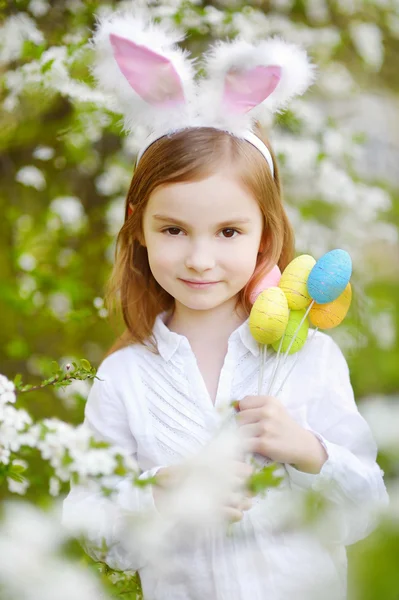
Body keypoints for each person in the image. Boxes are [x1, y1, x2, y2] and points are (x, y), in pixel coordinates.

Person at [62, 8, 388, 600]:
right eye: (174, 230)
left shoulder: (308, 357)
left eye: (229, 233)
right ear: (137, 227)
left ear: (266, 233)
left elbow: (367, 510)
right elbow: (92, 526)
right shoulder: (125, 376)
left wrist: (311, 452)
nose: (200, 260)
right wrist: (162, 490)